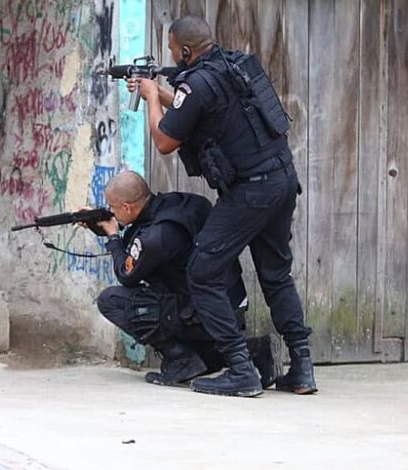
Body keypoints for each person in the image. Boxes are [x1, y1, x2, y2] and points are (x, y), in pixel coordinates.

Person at [129, 15, 317, 397]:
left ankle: (241, 369)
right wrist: (159, 92)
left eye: (172, 50)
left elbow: (165, 141)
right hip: (281, 180)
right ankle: (302, 367)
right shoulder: (229, 66)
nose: (171, 55)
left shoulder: (196, 84)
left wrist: (150, 97)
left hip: (251, 191)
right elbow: (191, 109)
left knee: (202, 271)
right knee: (276, 274)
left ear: (186, 51)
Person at [87, 171, 280, 388]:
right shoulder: (184, 204)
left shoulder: (155, 237)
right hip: (229, 304)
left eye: (113, 207)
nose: (111, 212)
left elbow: (126, 275)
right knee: (204, 359)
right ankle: (256, 350)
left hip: (203, 313)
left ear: (127, 207)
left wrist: (113, 237)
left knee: (111, 300)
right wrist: (102, 226)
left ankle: (181, 359)